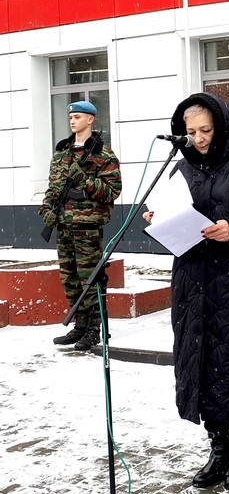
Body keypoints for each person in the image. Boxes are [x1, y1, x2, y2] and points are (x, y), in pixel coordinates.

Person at [145, 92, 229, 490]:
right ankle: (218, 447)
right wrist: (157, 218)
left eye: (206, 130)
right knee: (201, 360)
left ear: (221, 126)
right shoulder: (180, 169)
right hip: (194, 281)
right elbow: (173, 214)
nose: (199, 138)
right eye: (191, 132)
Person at [39, 100, 122, 352]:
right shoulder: (61, 153)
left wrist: (84, 180)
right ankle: (80, 324)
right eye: (71, 117)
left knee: (90, 278)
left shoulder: (103, 155)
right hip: (63, 225)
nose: (73, 121)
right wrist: (46, 210)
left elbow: (112, 191)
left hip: (87, 227)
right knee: (70, 278)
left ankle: (94, 328)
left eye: (77, 117)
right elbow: (53, 188)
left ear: (90, 119)